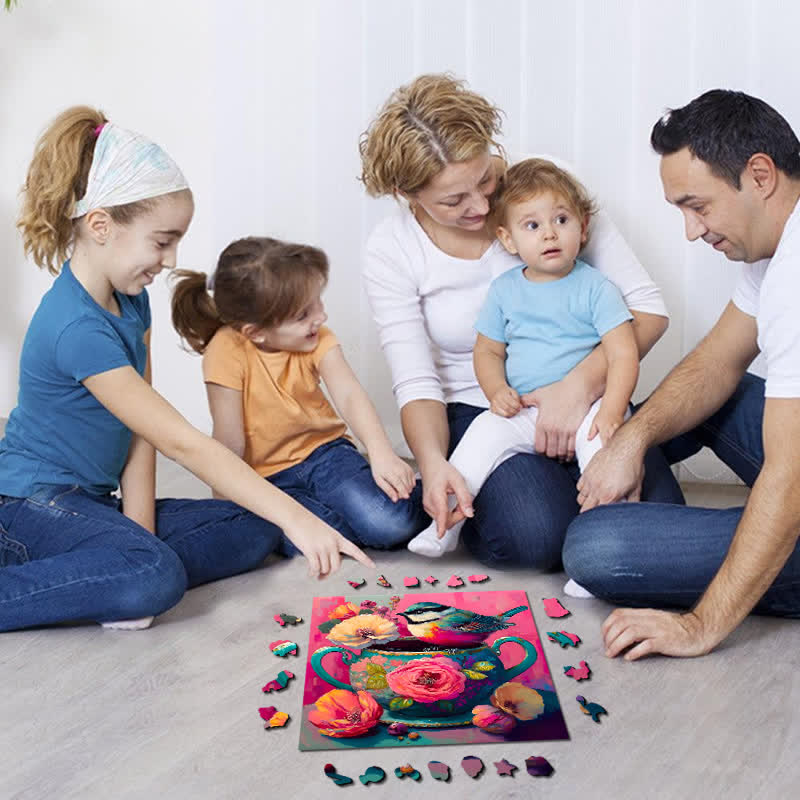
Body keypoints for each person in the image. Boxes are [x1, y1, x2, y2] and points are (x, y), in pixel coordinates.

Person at [0, 107, 372, 634]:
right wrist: (299, 519)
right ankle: (109, 573)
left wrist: (140, 531)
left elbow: (144, 435)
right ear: (101, 226)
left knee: (253, 525)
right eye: (162, 241)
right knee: (153, 575)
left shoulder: (132, 301)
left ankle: (107, 571)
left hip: (93, 502)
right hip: (32, 504)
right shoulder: (75, 328)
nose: (172, 259)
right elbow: (181, 442)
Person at [360, 73, 684, 570]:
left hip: (589, 388)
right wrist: (434, 464)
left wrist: (577, 389)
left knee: (657, 520)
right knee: (537, 536)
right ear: (408, 194)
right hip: (483, 407)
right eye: (454, 200)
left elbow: (647, 310)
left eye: (484, 179)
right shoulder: (392, 248)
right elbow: (417, 382)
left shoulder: (546, 192)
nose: (481, 206)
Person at [563, 89, 800, 659]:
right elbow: (716, 362)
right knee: (720, 395)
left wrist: (699, 626)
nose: (693, 231)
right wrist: (630, 441)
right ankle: (605, 477)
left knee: (597, 548)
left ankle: (653, 527)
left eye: (699, 207)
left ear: (760, 175)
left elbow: (790, 477)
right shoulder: (776, 247)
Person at [407, 158, 638, 558]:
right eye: (532, 225)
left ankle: (603, 552)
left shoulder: (596, 288)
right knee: (480, 438)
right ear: (508, 239)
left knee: (604, 463)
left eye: (561, 220)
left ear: (583, 228)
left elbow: (623, 354)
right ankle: (445, 525)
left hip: (590, 409)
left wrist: (612, 411)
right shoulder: (505, 291)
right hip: (525, 408)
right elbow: (488, 350)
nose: (549, 233)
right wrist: (496, 391)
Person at [170, 236, 429, 552]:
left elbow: (349, 395)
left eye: (317, 302)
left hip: (326, 454)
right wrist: (229, 503)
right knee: (293, 540)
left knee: (389, 524)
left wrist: (381, 453)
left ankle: (428, 491)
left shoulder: (317, 337)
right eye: (303, 314)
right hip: (267, 477)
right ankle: (350, 518)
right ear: (256, 332)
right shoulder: (224, 350)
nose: (320, 317)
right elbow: (228, 438)